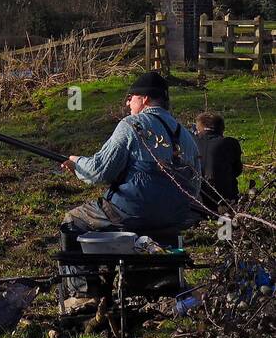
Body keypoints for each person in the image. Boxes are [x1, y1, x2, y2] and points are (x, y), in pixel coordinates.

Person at [59, 71, 205, 246]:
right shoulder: (186, 135)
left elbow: (99, 172)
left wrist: (77, 163)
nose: (128, 102)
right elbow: (195, 186)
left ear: (144, 99)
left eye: (131, 97)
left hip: (131, 212)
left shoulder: (132, 124)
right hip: (176, 215)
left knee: (72, 221)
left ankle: (83, 273)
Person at [194, 112, 242, 212]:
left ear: (199, 128)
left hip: (198, 201)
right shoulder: (229, 143)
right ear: (222, 129)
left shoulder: (192, 142)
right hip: (225, 200)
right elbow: (237, 170)